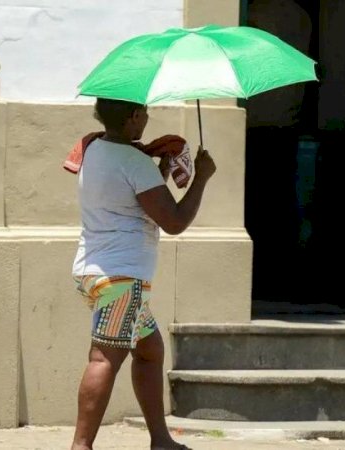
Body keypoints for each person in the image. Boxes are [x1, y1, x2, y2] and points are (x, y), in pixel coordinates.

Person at [70, 98, 217, 450]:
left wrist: (160, 171)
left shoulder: (93, 150)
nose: (149, 118)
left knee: (149, 349)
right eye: (146, 112)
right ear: (134, 117)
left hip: (95, 271)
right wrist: (201, 178)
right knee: (104, 358)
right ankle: (81, 446)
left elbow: (133, 202)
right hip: (123, 277)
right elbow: (174, 221)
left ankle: (160, 439)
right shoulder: (135, 161)